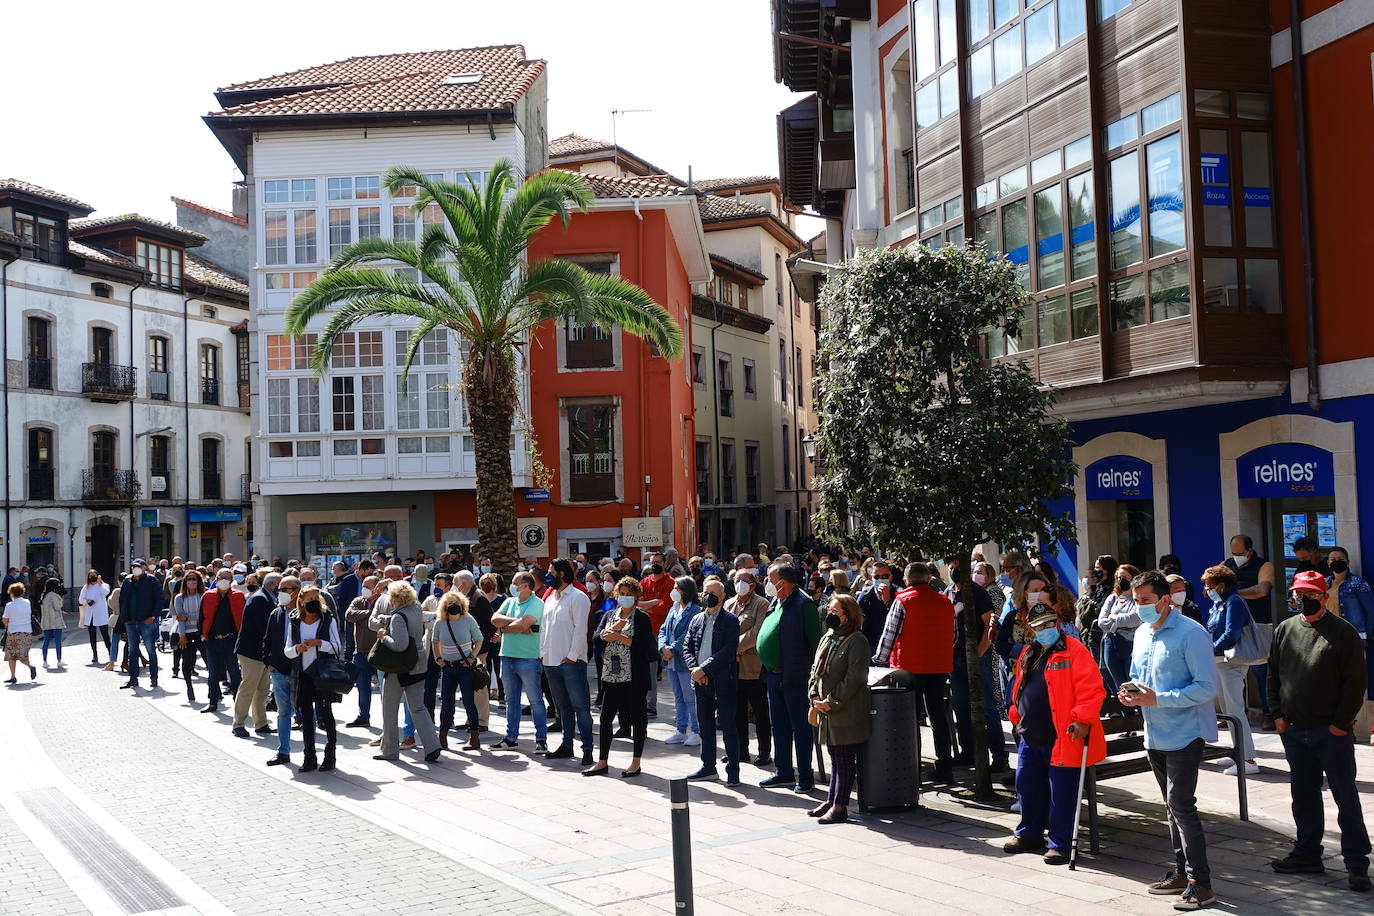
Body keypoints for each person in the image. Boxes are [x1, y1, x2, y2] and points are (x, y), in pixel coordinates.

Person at [1266, 570, 1370, 892]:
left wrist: (1340, 725)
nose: (1303, 599)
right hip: (1295, 731)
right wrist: (1277, 715)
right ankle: (1307, 854)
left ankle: (1356, 863)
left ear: (1324, 596)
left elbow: (1355, 684)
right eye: (1299, 594)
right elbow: (1273, 674)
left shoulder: (1344, 632)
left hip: (1331, 733)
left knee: (1345, 796)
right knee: (1303, 795)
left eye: (1311, 594)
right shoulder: (1285, 629)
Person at [1121, 570, 1218, 911]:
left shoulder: (1192, 633)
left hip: (1186, 732)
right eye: (1136, 601)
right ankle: (1181, 872)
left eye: (1146, 601)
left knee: (1181, 805)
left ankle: (1200, 883)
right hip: (1155, 732)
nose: (1140, 607)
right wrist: (1132, 694)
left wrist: (1158, 699)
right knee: (1171, 806)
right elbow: (1139, 677)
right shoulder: (1142, 632)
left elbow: (1207, 687)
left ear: (1165, 599)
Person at [1003, 606, 1106, 864]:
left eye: (1050, 623)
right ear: (1032, 629)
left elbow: (1092, 689)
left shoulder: (1074, 650)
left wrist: (1082, 718)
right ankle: (1029, 834)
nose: (1046, 629)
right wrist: (1015, 712)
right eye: (1040, 625)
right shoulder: (1029, 652)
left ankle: (1060, 843)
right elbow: (1018, 685)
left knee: (1061, 793)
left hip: (1063, 735)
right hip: (1030, 734)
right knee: (1027, 786)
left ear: (1057, 622)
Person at [874, 562, 956, 780]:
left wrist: (879, 660)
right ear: (929, 578)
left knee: (910, 719)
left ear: (906, 580)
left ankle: (913, 768)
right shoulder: (945, 601)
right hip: (938, 666)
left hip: (909, 667)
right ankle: (945, 766)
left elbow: (889, 634)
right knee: (938, 716)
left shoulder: (902, 601)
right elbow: (954, 635)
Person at [757, 561, 822, 792]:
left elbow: (816, 644)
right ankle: (783, 772)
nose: (767, 583)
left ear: (782, 583)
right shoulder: (777, 601)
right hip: (774, 676)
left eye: (770, 579)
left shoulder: (804, 604)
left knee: (800, 728)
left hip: (795, 676)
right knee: (779, 726)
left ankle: (805, 777)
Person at [808, 594, 871, 824]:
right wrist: (814, 694)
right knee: (834, 756)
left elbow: (854, 678)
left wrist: (831, 701)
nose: (830, 615)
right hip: (826, 710)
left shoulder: (857, 641)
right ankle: (831, 800)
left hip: (846, 711)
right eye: (829, 610)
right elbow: (815, 669)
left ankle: (840, 806)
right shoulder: (828, 636)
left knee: (844, 758)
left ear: (848, 615)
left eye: (835, 611)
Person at [585, 577, 654, 777]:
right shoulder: (609, 615)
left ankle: (636, 762)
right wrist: (607, 633)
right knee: (606, 718)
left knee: (637, 718)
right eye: (621, 594)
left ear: (636, 596)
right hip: (611, 675)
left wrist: (620, 637)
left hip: (634, 677)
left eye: (629, 594)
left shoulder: (641, 617)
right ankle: (602, 761)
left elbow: (646, 647)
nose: (624, 597)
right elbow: (596, 638)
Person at [947, 557, 1009, 771]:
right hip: (955, 660)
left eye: (958, 566)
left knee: (988, 707)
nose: (954, 570)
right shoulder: (949, 592)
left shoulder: (978, 592)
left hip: (978, 659)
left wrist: (979, 653)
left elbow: (989, 626)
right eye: (951, 567)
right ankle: (968, 752)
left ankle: (999, 756)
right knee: (961, 706)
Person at [371, 579, 441, 762]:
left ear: (395, 598)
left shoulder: (398, 617)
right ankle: (433, 746)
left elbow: (399, 645)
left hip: (400, 669)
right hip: (419, 664)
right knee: (418, 707)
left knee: (389, 709)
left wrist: (383, 637)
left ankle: (389, 751)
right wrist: (387, 619)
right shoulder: (416, 608)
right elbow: (406, 621)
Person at [683, 576, 741, 785]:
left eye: (713, 594)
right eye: (706, 593)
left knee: (728, 727)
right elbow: (687, 646)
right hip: (701, 682)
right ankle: (708, 767)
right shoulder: (696, 619)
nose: (709, 597)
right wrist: (695, 670)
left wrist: (704, 669)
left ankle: (733, 772)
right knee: (705, 727)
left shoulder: (730, 620)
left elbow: (728, 651)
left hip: (723, 682)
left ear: (723, 596)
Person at [1200, 564, 1257, 776]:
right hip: (1220, 661)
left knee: (1235, 710)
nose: (1206, 589)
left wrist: (1209, 649)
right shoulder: (1220, 603)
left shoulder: (1234, 601)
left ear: (1221, 585)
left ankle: (1248, 759)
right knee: (1228, 710)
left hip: (1231, 662)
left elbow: (1231, 633)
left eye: (1209, 585)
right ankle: (1238, 753)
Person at [540, 558, 594, 764]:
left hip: (571, 662)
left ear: (562, 574)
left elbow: (581, 630)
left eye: (551, 571)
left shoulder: (578, 597)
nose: (548, 575)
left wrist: (572, 656)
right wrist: (542, 653)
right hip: (550, 661)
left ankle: (587, 749)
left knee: (580, 706)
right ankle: (566, 745)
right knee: (563, 707)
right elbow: (544, 628)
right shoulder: (550, 599)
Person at [284, 584, 342, 772]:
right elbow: (287, 650)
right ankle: (309, 757)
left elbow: (337, 647)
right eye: (310, 599)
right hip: (303, 675)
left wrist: (319, 643)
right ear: (301, 601)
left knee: (326, 715)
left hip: (323, 675)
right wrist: (297, 649)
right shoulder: (294, 622)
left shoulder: (327, 620)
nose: (314, 602)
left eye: (317, 599)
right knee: (307, 717)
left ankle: (330, 756)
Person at [489, 571, 548, 752]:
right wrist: (517, 622)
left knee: (535, 700)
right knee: (511, 700)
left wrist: (506, 628)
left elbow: (523, 625)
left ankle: (541, 739)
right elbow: (494, 619)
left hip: (528, 658)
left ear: (525, 586)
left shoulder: (537, 603)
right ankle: (511, 738)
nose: (512, 586)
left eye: (515, 583)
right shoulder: (509, 602)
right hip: (507, 656)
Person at [1225, 534, 1277, 730]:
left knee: (1261, 672)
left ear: (1249, 551)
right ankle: (1237, 714)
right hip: (1233, 624)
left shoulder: (1264, 565)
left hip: (1257, 625)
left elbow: (1262, 590)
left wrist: (1233, 593)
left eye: (1240, 553)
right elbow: (1211, 585)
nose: (1237, 557)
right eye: (1234, 553)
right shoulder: (1227, 565)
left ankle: (1269, 714)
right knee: (1233, 673)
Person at [1323, 547, 1374, 743]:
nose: (1336, 561)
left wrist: (1367, 635)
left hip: (1354, 638)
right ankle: (1338, 725)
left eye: (1340, 558)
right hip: (1329, 639)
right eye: (1333, 559)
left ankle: (1350, 725)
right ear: (1328, 562)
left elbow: (1371, 611)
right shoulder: (1324, 584)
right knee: (1332, 683)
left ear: (1348, 561)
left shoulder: (1359, 584)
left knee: (1353, 684)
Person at [431, 589, 483, 751]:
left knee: (468, 701)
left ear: (462, 605)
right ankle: (442, 737)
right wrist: (438, 658)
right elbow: (434, 641)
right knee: (446, 703)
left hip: (465, 667)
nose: (453, 606)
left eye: (456, 603)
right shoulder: (440, 622)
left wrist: (471, 657)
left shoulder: (468, 620)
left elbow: (479, 639)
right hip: (448, 667)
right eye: (450, 603)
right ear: (444, 606)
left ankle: (474, 737)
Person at [730, 570, 773, 766]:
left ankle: (764, 752)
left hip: (754, 667)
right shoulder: (729, 603)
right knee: (737, 711)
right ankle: (741, 750)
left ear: (753, 585)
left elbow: (756, 633)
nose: (740, 583)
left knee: (760, 712)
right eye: (737, 580)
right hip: (733, 668)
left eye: (744, 580)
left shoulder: (761, 604)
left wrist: (732, 648)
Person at [658, 576, 702, 747]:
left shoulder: (695, 610)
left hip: (684, 661)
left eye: (677, 588)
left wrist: (672, 649)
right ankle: (681, 730)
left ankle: (696, 731)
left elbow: (688, 634)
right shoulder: (674, 608)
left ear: (685, 590)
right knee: (678, 696)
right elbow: (663, 629)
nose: (673, 591)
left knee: (690, 697)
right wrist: (663, 647)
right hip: (671, 661)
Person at [232, 570, 276, 738]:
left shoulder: (266, 597)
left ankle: (261, 723)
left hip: (261, 652)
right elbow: (263, 628)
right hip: (251, 652)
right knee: (248, 688)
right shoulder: (260, 599)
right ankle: (238, 724)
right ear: (271, 585)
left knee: (262, 689)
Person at [263, 575, 301, 766]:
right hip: (278, 671)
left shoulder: (306, 613)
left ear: (296, 591)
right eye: (279, 589)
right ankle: (283, 751)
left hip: (300, 671)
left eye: (285, 589)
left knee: (306, 712)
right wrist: (268, 663)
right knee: (283, 712)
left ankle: (310, 754)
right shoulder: (276, 613)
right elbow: (267, 640)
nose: (280, 593)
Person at [200, 569, 245, 714]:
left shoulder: (238, 596)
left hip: (231, 640)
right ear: (216, 579)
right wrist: (203, 636)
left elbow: (243, 619)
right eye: (221, 577)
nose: (224, 580)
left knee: (234, 672)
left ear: (232, 580)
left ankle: (238, 704)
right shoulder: (208, 596)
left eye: (227, 578)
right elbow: (202, 618)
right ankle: (212, 702)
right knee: (213, 673)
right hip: (213, 640)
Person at [344, 575, 383, 729]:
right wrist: (370, 613)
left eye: (368, 586)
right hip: (360, 652)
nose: (364, 589)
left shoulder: (383, 601)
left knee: (385, 689)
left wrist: (362, 616)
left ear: (377, 588)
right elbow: (349, 615)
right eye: (364, 586)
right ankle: (363, 717)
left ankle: (388, 719)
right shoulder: (358, 601)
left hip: (379, 652)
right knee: (362, 688)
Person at [119, 559, 164, 691]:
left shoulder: (151, 580)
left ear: (144, 568)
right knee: (132, 651)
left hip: (146, 621)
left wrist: (153, 617)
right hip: (131, 621)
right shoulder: (127, 581)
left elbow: (159, 599)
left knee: (150, 650)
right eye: (133, 566)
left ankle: (154, 678)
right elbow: (122, 600)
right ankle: (133, 678)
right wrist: (124, 618)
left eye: (138, 566)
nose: (136, 569)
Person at [639, 554, 675, 717]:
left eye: (658, 562)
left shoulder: (670, 582)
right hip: (646, 633)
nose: (655, 565)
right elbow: (636, 604)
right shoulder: (644, 582)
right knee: (649, 671)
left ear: (665, 563)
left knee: (673, 671)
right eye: (652, 562)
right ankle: (650, 705)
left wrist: (646, 605)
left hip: (664, 634)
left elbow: (665, 607)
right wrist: (654, 602)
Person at [172, 570, 206, 703]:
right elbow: (180, 618)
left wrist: (188, 616)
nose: (191, 582)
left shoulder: (203, 595)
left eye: (194, 579)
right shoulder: (179, 598)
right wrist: (182, 635)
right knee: (187, 662)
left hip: (201, 633)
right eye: (189, 579)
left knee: (208, 660)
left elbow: (204, 615)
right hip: (186, 633)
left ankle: (215, 689)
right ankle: (189, 687)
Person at [856, 561, 895, 652]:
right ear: (872, 578)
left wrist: (888, 600)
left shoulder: (898, 593)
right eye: (877, 577)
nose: (880, 579)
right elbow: (856, 618)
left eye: (885, 576)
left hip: (892, 645)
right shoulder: (865, 595)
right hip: (870, 644)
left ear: (891, 576)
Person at [3, 582, 37, 683]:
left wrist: (7, 626)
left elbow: (5, 619)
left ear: (11, 593)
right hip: (27, 632)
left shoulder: (9, 605)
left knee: (11, 656)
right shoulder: (27, 602)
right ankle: (30, 667)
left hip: (13, 632)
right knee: (23, 655)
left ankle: (13, 676)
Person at [79, 570, 111, 665]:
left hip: (100, 614)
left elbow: (105, 593)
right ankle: (95, 654)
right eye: (91, 576)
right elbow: (81, 599)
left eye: (94, 576)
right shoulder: (86, 587)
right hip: (90, 614)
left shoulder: (104, 585)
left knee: (105, 634)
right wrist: (87, 601)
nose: (92, 578)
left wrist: (100, 583)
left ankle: (111, 652)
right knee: (92, 635)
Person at [38, 578, 65, 668]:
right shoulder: (54, 596)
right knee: (58, 642)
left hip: (46, 622)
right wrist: (61, 600)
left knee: (46, 642)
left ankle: (45, 661)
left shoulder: (44, 596)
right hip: (55, 622)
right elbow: (57, 607)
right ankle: (59, 660)